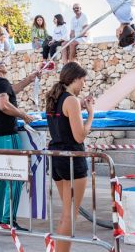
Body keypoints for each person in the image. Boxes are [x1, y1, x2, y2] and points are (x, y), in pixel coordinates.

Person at [0, 55, 41, 231]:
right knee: (15, 178)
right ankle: (9, 220)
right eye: (3, 62)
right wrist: (24, 115)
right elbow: (4, 105)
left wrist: (29, 80)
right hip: (7, 136)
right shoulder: (2, 82)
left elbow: (10, 91)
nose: (5, 64)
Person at [45, 62, 94, 252]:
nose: (83, 85)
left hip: (57, 157)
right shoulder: (71, 100)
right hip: (72, 158)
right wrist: (91, 115)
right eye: (83, 80)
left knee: (65, 213)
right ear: (75, 79)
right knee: (70, 215)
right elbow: (80, 135)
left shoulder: (53, 97)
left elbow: (63, 119)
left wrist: (81, 104)